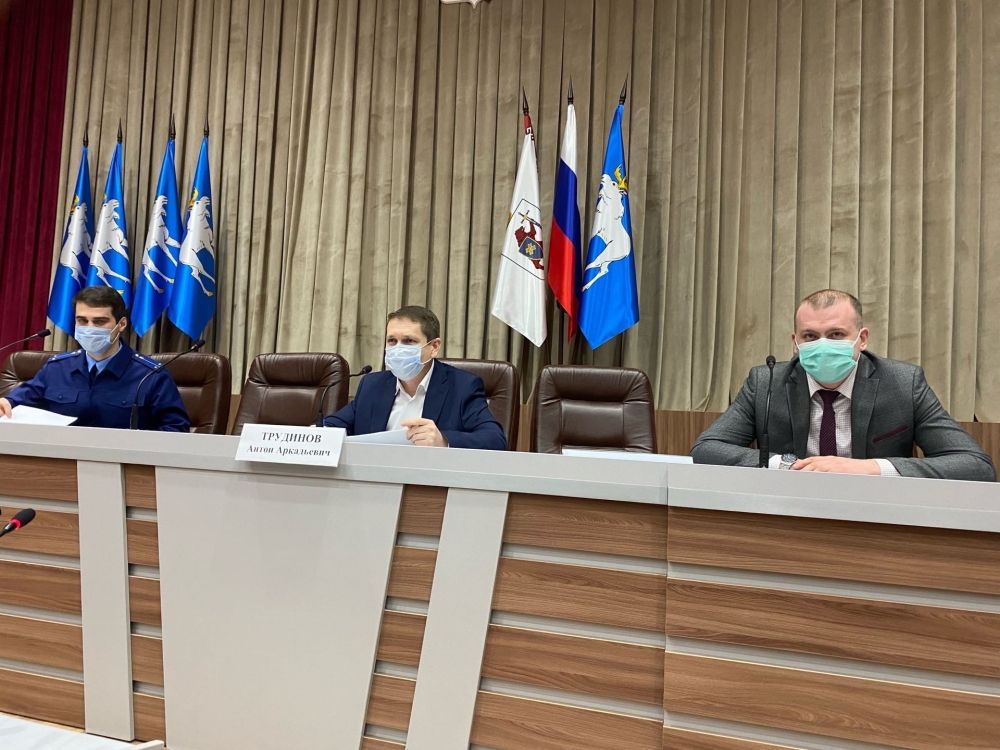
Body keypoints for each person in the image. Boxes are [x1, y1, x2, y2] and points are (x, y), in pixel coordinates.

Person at [691, 289, 995, 481]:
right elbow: (707, 449)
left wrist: (871, 468)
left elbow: (975, 465)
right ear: (795, 343)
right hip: (790, 514)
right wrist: (788, 466)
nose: (823, 344)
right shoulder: (765, 382)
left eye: (836, 334)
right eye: (810, 336)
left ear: (862, 339)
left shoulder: (903, 384)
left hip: (876, 517)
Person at [0, 286, 190, 432]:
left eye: (100, 321)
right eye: (82, 321)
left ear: (121, 324)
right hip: (62, 463)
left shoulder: (152, 376)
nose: (89, 328)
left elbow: (176, 430)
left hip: (124, 465)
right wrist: (6, 404)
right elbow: (14, 403)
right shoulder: (56, 369)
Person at [323, 305, 506, 450]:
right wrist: (315, 434)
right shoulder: (372, 384)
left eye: (409, 341)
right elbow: (333, 426)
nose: (398, 348)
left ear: (434, 347)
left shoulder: (463, 386)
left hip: (429, 482)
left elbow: (495, 440)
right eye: (392, 341)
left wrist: (443, 440)